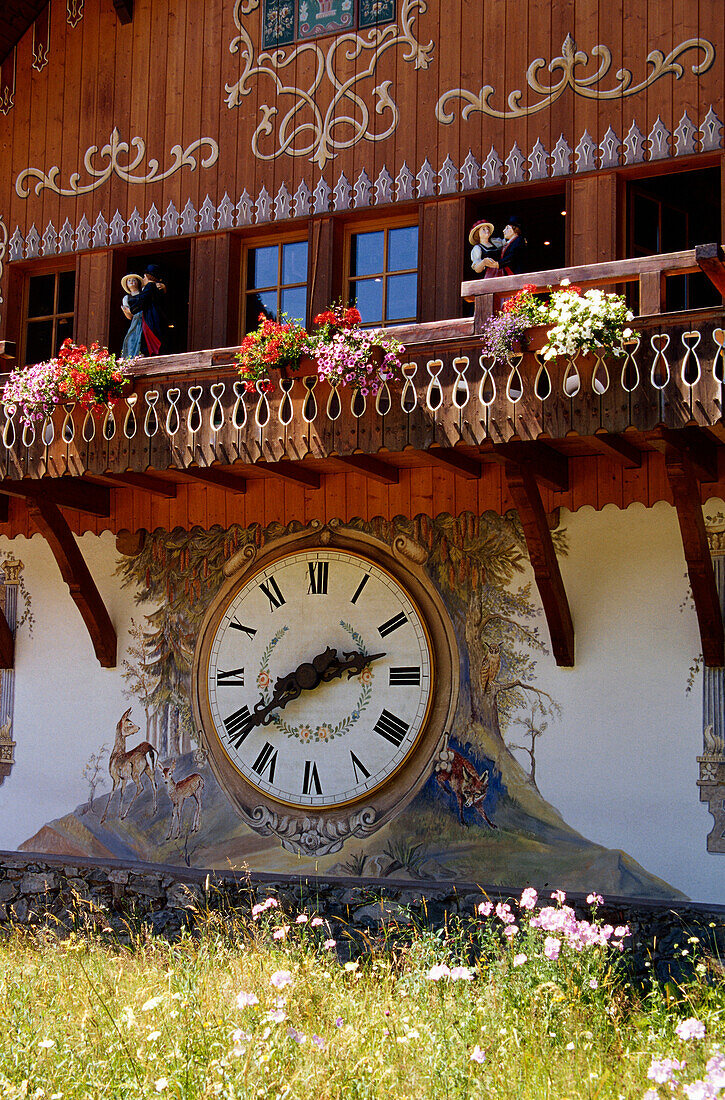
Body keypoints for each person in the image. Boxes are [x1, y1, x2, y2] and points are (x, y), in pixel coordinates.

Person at [126, 264, 168, 356]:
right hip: (155, 319)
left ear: (146, 276)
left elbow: (142, 299)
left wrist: (131, 308)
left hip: (151, 319)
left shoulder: (150, 286)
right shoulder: (156, 288)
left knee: (149, 341)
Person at [120, 273, 144, 358]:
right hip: (135, 321)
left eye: (134, 280)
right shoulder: (126, 298)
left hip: (145, 319)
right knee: (132, 339)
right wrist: (127, 312)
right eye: (129, 281)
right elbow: (129, 317)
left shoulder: (143, 293)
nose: (132, 282)